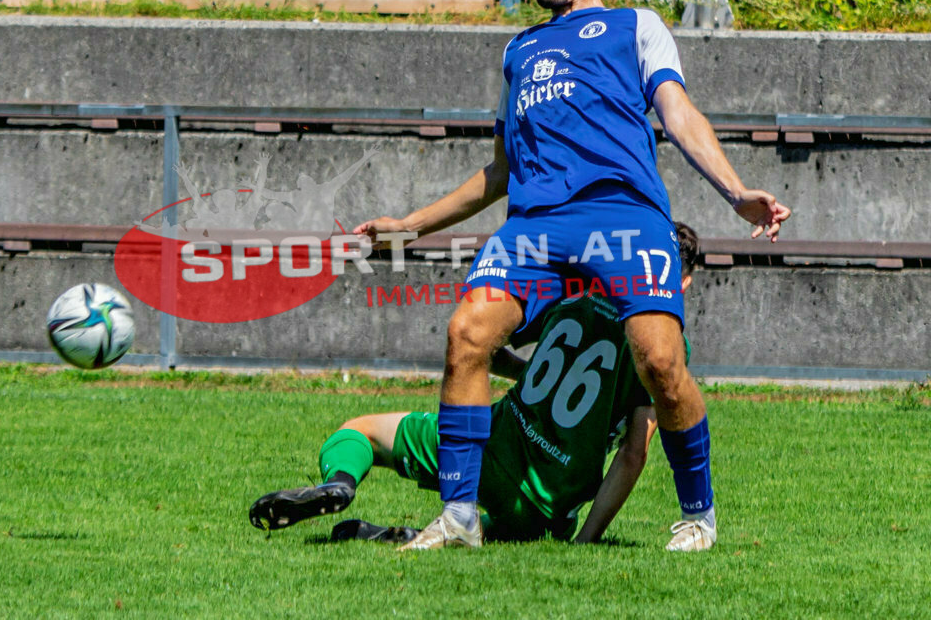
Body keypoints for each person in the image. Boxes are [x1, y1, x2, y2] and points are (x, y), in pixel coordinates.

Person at [352, 0, 791, 551]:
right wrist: (411, 227)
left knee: (660, 363)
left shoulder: (636, 27)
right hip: (535, 228)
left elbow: (678, 112)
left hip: (624, 219)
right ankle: (460, 516)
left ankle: (698, 514)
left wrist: (735, 191)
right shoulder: (518, 51)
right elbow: (501, 171)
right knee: (467, 334)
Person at [249, 224, 701, 547]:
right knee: (512, 532)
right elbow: (633, 453)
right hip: (547, 505)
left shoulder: (576, 290)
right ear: (681, 281)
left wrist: (507, 366)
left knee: (361, 430)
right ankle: (412, 537)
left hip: (492, 447)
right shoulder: (662, 348)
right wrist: (585, 540)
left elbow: (522, 363)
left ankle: (343, 483)